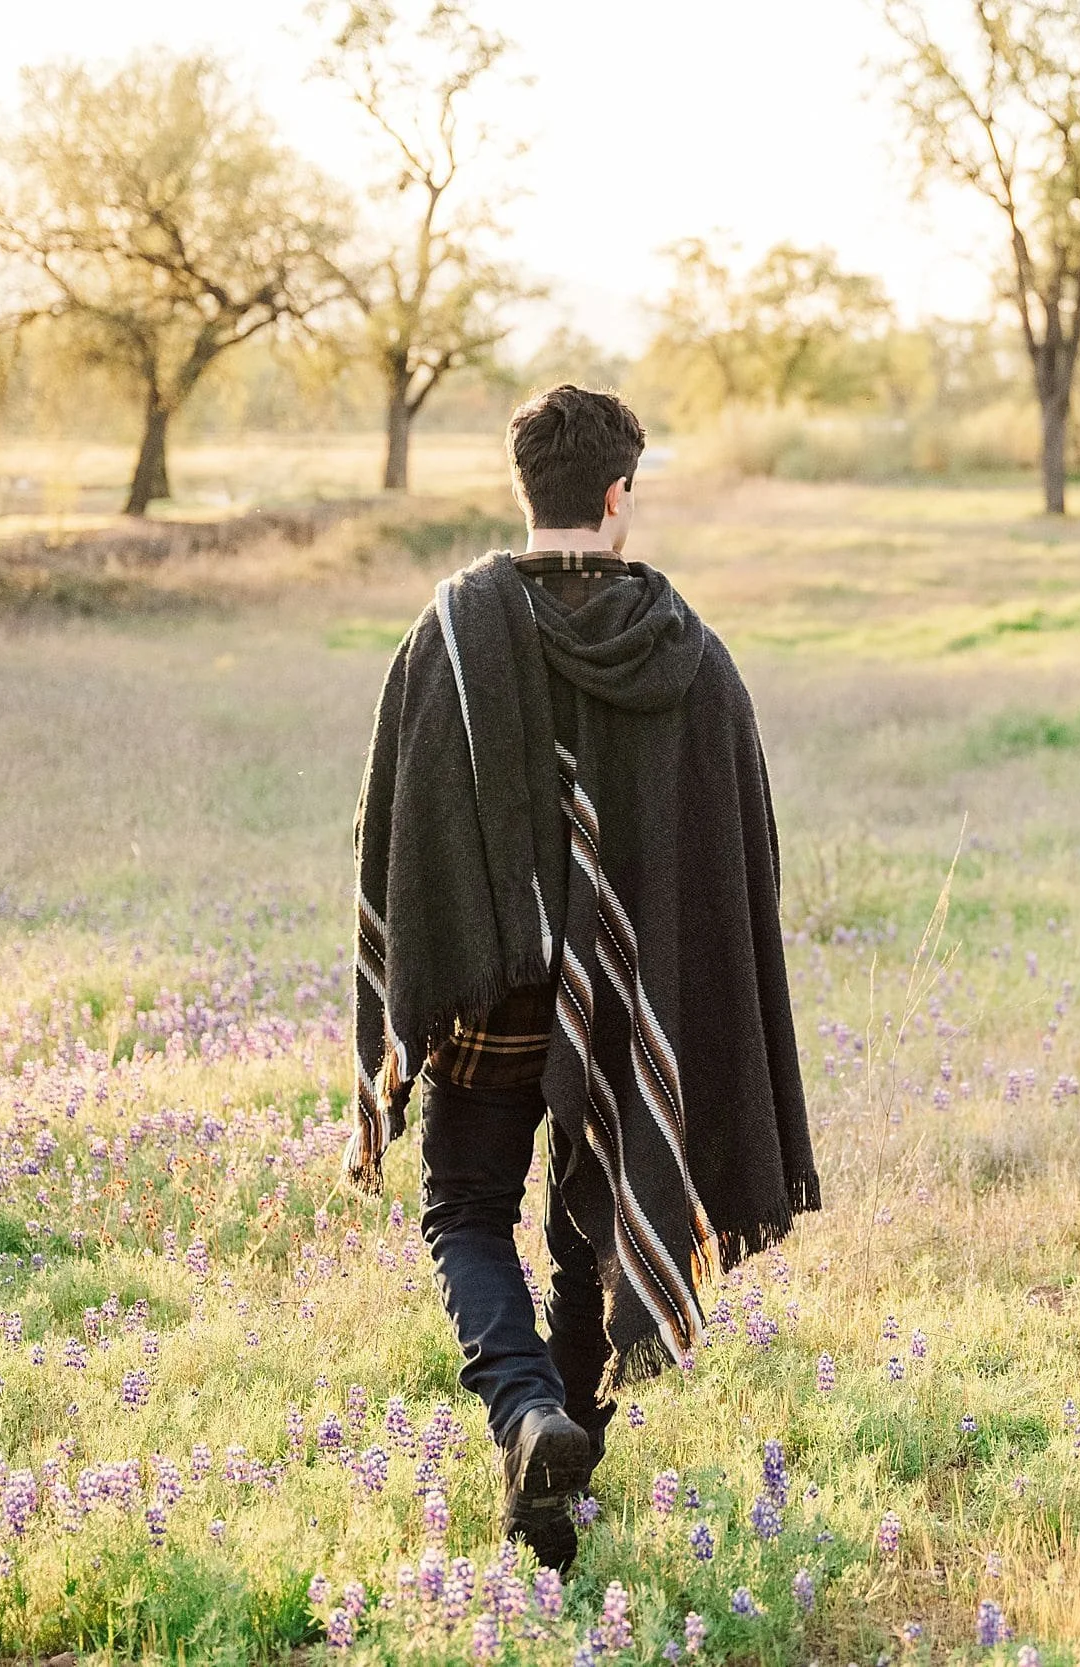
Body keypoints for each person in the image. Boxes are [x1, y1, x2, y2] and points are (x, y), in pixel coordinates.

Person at [347, 385, 818, 1571]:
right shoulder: (687, 651)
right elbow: (738, 849)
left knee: (464, 1202)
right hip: (627, 993)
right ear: (617, 496)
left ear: (528, 488)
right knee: (591, 1223)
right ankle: (560, 1444)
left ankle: (527, 1424)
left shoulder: (453, 630)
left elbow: (395, 824)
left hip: (489, 984)